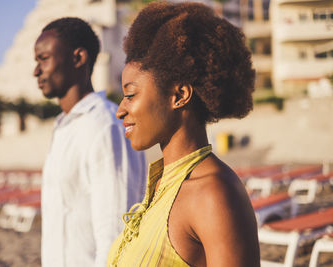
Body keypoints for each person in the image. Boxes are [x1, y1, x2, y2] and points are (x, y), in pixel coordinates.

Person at [107, 2, 260, 267]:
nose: (120, 110)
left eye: (130, 95)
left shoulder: (213, 193)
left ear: (179, 95)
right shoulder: (161, 186)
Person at [33, 17, 147, 267]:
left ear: (78, 58)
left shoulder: (106, 125)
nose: (36, 71)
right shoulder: (65, 126)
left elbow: (117, 234)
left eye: (43, 59)